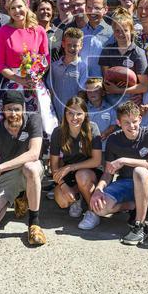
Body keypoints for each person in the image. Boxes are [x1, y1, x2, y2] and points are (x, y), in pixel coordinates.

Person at [0, 91, 47, 245]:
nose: (13, 113)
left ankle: (34, 223)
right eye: (9, 109)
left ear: (24, 109)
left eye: (17, 109)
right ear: (3, 110)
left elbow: (33, 154)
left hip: (30, 170)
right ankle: (16, 199)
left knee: (30, 168)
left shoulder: (34, 120)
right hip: (8, 176)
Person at [89, 100, 148, 245]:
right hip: (125, 183)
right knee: (100, 207)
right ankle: (133, 206)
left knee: (140, 172)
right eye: (126, 122)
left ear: (140, 119)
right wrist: (98, 189)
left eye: (134, 121)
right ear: (118, 122)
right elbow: (108, 172)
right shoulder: (113, 139)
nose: (132, 126)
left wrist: (124, 160)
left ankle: (139, 226)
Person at [0, 0, 57, 132]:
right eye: (12, 8)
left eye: (20, 6)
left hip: (35, 83)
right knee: (14, 125)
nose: (17, 11)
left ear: (26, 7)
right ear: (8, 11)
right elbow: (0, 64)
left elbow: (45, 59)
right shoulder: (3, 31)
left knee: (39, 124)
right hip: (13, 83)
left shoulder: (39, 30)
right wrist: (18, 79)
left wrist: (36, 77)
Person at [49, 96, 103, 230]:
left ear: (85, 114)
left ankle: (93, 213)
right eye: (70, 113)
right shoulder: (58, 132)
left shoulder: (92, 128)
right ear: (65, 114)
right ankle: (78, 198)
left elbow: (96, 160)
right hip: (68, 173)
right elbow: (54, 165)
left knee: (82, 176)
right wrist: (62, 185)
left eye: (79, 113)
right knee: (62, 201)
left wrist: (71, 167)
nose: (74, 117)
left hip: (90, 170)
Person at [96, 11, 148, 100]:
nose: (121, 34)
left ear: (131, 30)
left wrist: (119, 90)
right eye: (117, 31)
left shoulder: (138, 53)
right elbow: (106, 81)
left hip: (131, 99)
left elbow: (144, 86)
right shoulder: (107, 51)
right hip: (110, 100)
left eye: (125, 30)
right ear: (113, 31)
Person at [45, 27, 88, 120]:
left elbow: (82, 94)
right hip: (55, 115)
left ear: (81, 46)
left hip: (73, 116)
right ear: (63, 44)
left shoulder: (83, 67)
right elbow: (50, 91)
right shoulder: (54, 66)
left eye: (76, 45)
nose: (72, 48)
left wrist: (75, 113)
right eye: (69, 45)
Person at [80, 0, 113, 78]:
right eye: (89, 7)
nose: (92, 11)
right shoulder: (80, 34)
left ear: (105, 9)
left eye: (97, 8)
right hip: (82, 85)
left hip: (104, 86)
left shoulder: (113, 34)